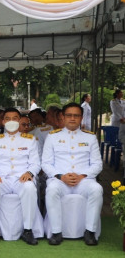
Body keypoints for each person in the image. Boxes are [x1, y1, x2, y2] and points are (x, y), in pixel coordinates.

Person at [42, 102, 103, 246]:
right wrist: (60, 176)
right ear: (62, 117)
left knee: (97, 189)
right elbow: (45, 163)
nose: (72, 118)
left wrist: (82, 175)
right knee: (51, 190)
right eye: (69, 115)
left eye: (76, 115)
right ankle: (56, 232)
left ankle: (90, 232)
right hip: (60, 180)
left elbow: (97, 164)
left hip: (83, 180)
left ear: (81, 118)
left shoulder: (90, 137)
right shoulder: (52, 137)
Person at [0, 108, 40, 246]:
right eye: (7, 118)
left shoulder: (30, 140)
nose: (11, 121)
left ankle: (28, 230)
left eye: (15, 118)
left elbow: (36, 163)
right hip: (2, 178)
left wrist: (29, 173)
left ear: (20, 120)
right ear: (3, 122)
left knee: (29, 188)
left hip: (21, 178)